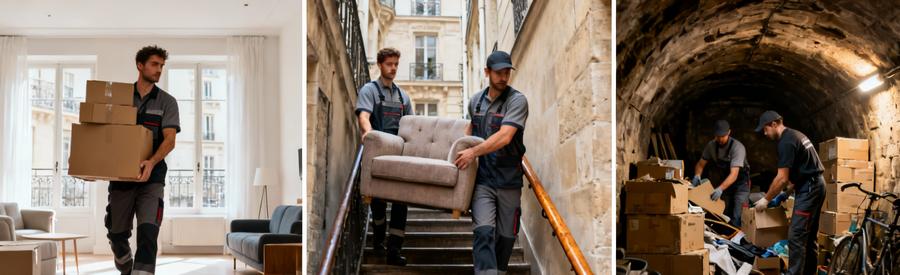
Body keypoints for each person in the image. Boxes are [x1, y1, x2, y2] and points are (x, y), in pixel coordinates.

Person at [105, 45, 180, 275]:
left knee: (148, 233)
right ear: (140, 65)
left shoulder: (167, 102)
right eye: (155, 64)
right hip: (122, 177)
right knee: (116, 233)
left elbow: (170, 140)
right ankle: (125, 263)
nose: (159, 70)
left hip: (152, 178)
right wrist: (92, 166)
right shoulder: (120, 98)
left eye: (162, 66)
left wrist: (152, 161)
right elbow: (102, 135)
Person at [454, 51, 529, 275]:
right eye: (498, 72)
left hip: (509, 181)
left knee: (506, 238)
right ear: (487, 72)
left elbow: (505, 137)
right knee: (484, 232)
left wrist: (473, 152)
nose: (503, 77)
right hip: (483, 181)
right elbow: (468, 133)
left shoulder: (517, 101)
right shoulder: (475, 102)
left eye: (507, 72)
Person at [355, 47, 413, 266]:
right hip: (377, 155)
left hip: (398, 157)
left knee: (401, 203)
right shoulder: (369, 91)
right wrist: (368, 136)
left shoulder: (403, 97)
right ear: (380, 65)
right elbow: (363, 116)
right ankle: (378, 233)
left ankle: (394, 250)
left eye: (396, 64)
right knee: (377, 202)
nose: (394, 68)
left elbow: (411, 128)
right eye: (389, 64)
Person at [753, 110, 824, 275]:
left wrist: (766, 199)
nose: (764, 133)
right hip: (815, 185)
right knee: (809, 237)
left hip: (810, 189)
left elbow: (782, 178)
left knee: (796, 236)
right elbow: (805, 171)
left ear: (774, 124)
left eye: (765, 129)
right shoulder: (796, 135)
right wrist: (784, 195)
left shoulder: (786, 142)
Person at [692, 120, 751, 226]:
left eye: (722, 136)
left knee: (738, 215)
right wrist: (697, 175)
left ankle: (739, 240)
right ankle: (725, 239)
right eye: (717, 136)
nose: (720, 139)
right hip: (725, 183)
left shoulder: (737, 148)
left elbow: (734, 174)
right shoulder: (711, 146)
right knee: (723, 215)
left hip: (740, 184)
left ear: (729, 132)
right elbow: (700, 164)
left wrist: (719, 189)